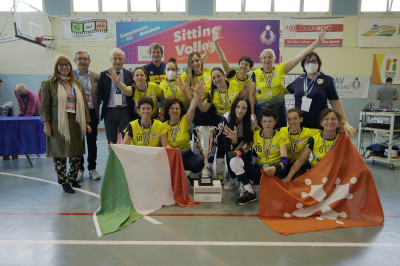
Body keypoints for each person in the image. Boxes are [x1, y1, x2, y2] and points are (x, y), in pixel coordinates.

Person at [249, 32, 325, 129]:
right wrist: (252, 113)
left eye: (269, 57)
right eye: (264, 57)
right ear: (260, 60)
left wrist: (317, 42)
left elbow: (300, 56)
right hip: (261, 110)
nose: (267, 59)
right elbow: (251, 94)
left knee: (280, 136)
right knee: (262, 136)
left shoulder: (281, 69)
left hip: (278, 110)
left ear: (274, 59)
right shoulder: (256, 73)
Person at [40, 56, 91, 193]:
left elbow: (85, 106)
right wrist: (46, 123)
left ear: (70, 66)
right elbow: (44, 107)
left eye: (67, 65)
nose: (64, 67)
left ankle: (73, 177)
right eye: (60, 65)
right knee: (59, 154)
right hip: (58, 126)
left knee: (76, 154)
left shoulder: (77, 84)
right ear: (56, 67)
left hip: (76, 124)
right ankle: (64, 182)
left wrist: (86, 122)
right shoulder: (49, 83)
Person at [287, 52, 357, 136]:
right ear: (303, 65)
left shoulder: (327, 80)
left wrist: (344, 122)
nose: (311, 64)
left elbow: (335, 102)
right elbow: (284, 91)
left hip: (320, 124)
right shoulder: (299, 80)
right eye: (308, 62)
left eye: (314, 61)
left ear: (318, 64)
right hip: (301, 125)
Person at [229, 107, 288, 205]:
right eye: (264, 121)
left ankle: (266, 186)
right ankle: (250, 192)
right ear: (260, 122)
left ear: (275, 122)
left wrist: (275, 167)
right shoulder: (255, 134)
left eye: (270, 121)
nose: (267, 124)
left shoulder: (281, 136)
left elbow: (285, 160)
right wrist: (235, 153)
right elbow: (245, 148)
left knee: (275, 201)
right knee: (234, 161)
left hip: (275, 171)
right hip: (260, 170)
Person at [196, 67, 242, 181]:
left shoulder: (234, 84)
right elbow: (203, 109)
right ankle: (221, 177)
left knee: (234, 149)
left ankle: (235, 176)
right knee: (222, 148)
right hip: (222, 123)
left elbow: (245, 98)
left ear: (224, 75)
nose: (217, 79)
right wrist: (197, 96)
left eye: (218, 76)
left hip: (237, 121)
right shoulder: (212, 93)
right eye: (214, 78)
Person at [160, 82, 205, 186]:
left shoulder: (185, 120)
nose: (174, 110)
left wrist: (197, 95)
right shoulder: (163, 126)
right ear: (168, 110)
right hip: (171, 157)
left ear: (181, 111)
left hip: (186, 155)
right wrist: (171, 148)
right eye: (172, 108)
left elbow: (192, 108)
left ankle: (192, 176)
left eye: (177, 108)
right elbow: (164, 144)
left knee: (199, 162)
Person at [284, 108, 341, 182]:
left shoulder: (342, 139)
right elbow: (301, 160)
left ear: (338, 122)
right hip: (317, 173)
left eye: (333, 119)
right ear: (321, 123)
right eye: (326, 119)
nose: (330, 122)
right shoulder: (313, 139)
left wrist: (345, 127)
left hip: (335, 174)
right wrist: (288, 178)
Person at [73, 50, 101, 181]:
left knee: (92, 143)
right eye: (79, 59)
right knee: (78, 143)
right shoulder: (70, 76)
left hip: (91, 113)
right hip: (75, 114)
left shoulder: (96, 77)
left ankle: (92, 168)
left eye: (85, 59)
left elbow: (99, 96)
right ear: (75, 61)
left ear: (89, 61)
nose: (82, 61)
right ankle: (79, 169)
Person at [98, 48, 134, 144]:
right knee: (111, 141)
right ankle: (113, 159)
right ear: (110, 59)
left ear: (124, 59)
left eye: (120, 58)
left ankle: (125, 159)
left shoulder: (130, 75)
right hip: (109, 112)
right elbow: (100, 94)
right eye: (115, 58)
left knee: (127, 140)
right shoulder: (103, 75)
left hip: (125, 112)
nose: (117, 61)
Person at [222, 96, 255, 191]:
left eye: (244, 108)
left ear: (247, 110)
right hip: (230, 141)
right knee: (229, 154)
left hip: (243, 142)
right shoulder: (225, 118)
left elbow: (248, 140)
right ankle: (233, 179)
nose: (240, 110)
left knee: (244, 154)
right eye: (238, 107)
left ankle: (244, 179)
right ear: (233, 107)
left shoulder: (251, 121)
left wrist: (237, 151)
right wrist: (234, 142)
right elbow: (227, 142)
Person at [213, 26, 254, 97]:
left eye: (246, 65)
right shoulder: (231, 73)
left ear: (249, 68)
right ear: (238, 66)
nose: (243, 66)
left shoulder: (250, 81)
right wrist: (215, 43)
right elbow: (223, 59)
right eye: (242, 64)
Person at [279, 108, 320, 179]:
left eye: (295, 118)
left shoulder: (309, 132)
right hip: (286, 163)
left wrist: (343, 126)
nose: (291, 122)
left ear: (301, 119)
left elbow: (327, 130)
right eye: (289, 119)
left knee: (298, 179)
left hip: (302, 164)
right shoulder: (282, 131)